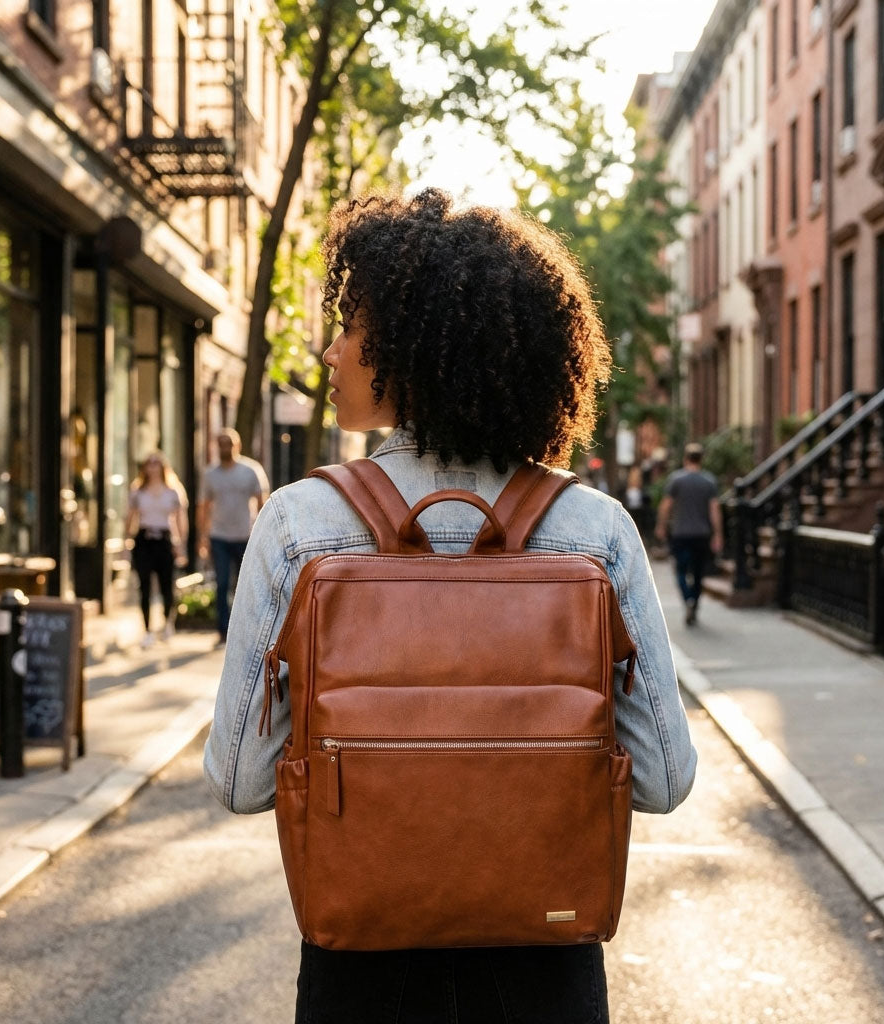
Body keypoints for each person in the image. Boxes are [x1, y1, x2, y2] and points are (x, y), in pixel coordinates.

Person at [204, 188, 697, 1023]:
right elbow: (663, 779)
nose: (329, 350)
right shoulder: (594, 530)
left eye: (350, 325)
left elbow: (242, 780)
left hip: (360, 965)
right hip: (547, 964)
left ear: (407, 348)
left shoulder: (297, 524)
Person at [197, 429, 270, 644]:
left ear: (237, 446)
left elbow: (262, 501)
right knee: (221, 584)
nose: (224, 448)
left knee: (246, 585)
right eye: (220, 444)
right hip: (219, 536)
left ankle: (246, 631)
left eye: (228, 443)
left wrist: (261, 532)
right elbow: (203, 506)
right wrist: (203, 536)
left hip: (245, 535)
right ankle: (223, 631)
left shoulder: (251, 470)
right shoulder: (210, 474)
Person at [124, 451, 188, 649]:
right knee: (144, 586)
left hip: (164, 539)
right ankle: (147, 630)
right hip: (144, 540)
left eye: (156, 463)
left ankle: (167, 622)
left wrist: (180, 545)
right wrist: (125, 544)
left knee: (166, 585)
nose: (152, 467)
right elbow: (129, 518)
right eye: (149, 463)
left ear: (162, 466)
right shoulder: (138, 491)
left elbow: (180, 519)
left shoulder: (173, 491)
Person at [655, 442, 723, 625]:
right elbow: (714, 510)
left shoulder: (676, 480)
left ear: (686, 458)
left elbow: (666, 505)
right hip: (701, 534)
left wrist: (661, 526)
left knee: (681, 571)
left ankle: (688, 600)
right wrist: (718, 534)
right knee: (699, 573)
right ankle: (695, 600)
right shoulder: (709, 482)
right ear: (701, 459)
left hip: (681, 534)